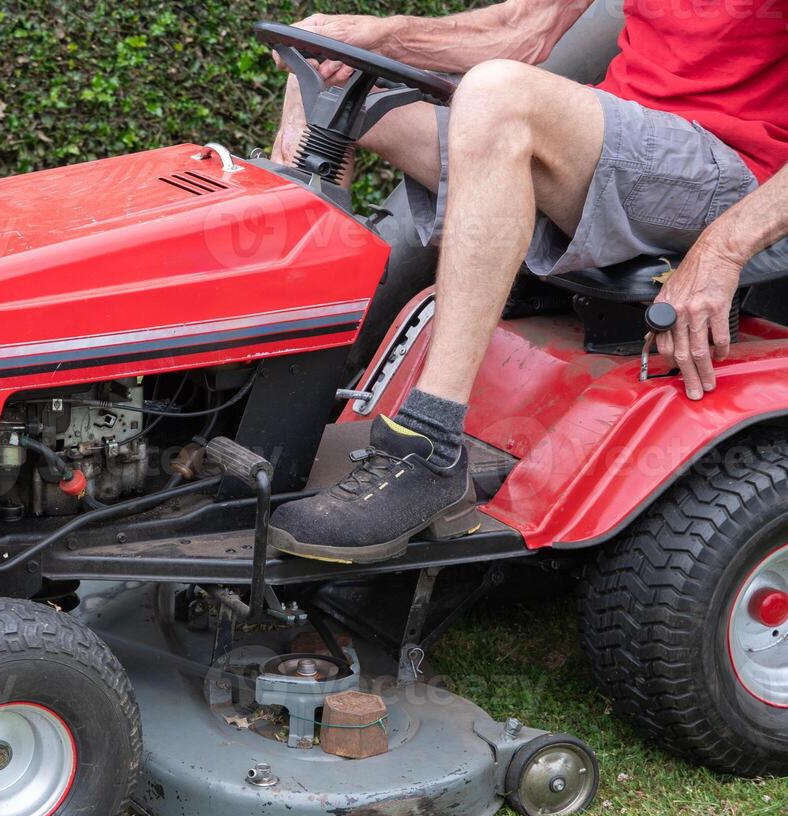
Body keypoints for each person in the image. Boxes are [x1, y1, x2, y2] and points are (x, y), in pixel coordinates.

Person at [263, 0, 788, 563]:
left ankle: (430, 445)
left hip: (736, 175)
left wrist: (721, 250)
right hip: (622, 146)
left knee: (497, 94)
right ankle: (271, 381)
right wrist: (382, 36)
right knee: (327, 76)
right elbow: (522, 30)